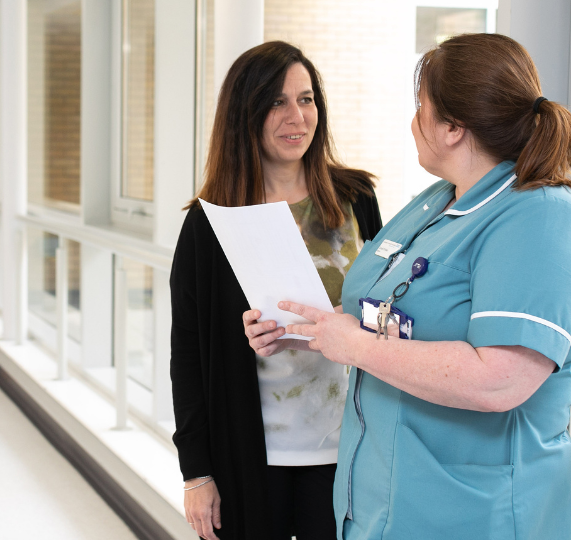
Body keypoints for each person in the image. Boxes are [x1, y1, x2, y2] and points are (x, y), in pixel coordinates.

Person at [251, 33, 571, 540]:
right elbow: (391, 318)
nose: (414, 120)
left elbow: (500, 380)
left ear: (454, 127)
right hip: (383, 502)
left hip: (475, 513)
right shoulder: (438, 201)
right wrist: (315, 330)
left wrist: (354, 346)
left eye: (421, 107)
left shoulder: (543, 218)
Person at [171, 41, 383, 540]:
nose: (297, 117)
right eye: (276, 102)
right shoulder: (209, 224)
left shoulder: (357, 199)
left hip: (349, 448)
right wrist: (196, 474)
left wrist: (350, 320)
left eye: (306, 99)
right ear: (244, 114)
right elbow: (188, 354)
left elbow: (390, 305)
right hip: (249, 456)